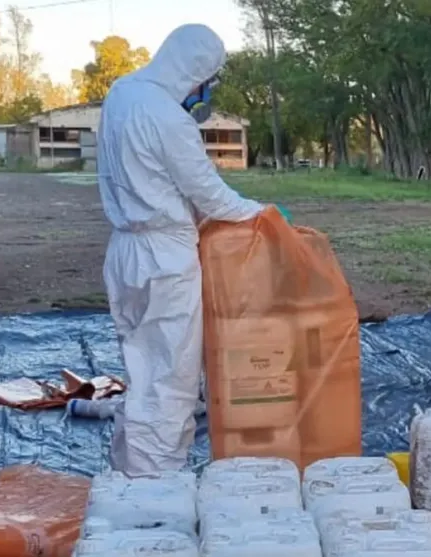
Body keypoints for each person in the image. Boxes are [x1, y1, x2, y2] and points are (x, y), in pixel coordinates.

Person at [97, 23, 285, 476]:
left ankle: (127, 476)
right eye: (207, 81)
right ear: (194, 71)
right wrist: (265, 214)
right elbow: (210, 195)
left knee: (142, 373)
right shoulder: (167, 117)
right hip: (165, 259)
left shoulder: (121, 94)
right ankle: (155, 489)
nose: (204, 92)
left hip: (125, 251)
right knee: (171, 382)